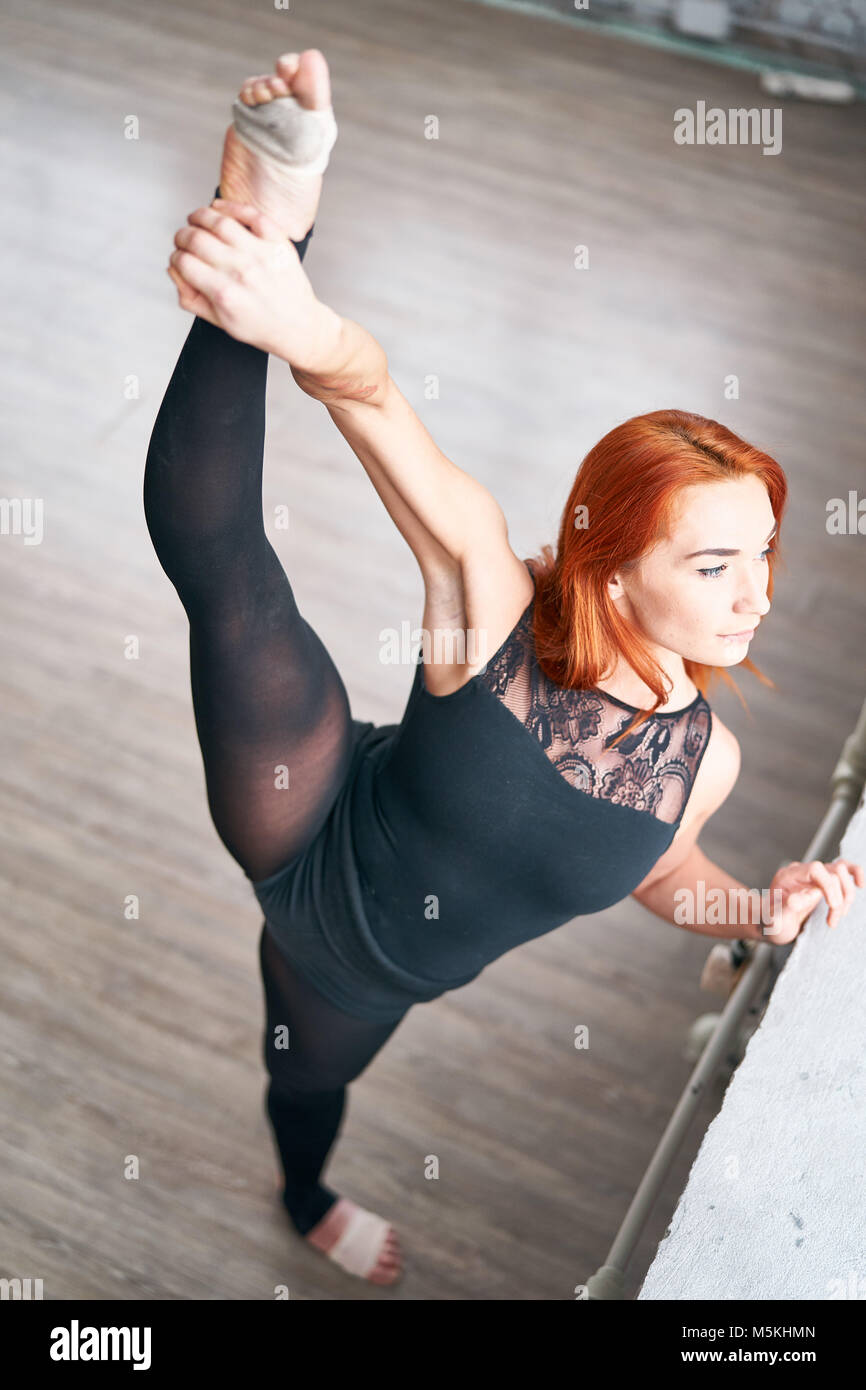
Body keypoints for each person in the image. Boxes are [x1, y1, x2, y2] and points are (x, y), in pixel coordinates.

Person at [144, 49, 864, 1287]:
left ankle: (303, 1192)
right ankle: (269, 221)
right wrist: (293, 315)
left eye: (763, 553)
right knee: (225, 571)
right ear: (616, 564)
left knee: (301, 1072)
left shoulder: (705, 760)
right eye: (711, 564)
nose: (755, 595)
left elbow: (667, 872)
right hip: (313, 812)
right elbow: (369, 398)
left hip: (364, 964)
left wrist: (752, 910)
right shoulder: (494, 604)